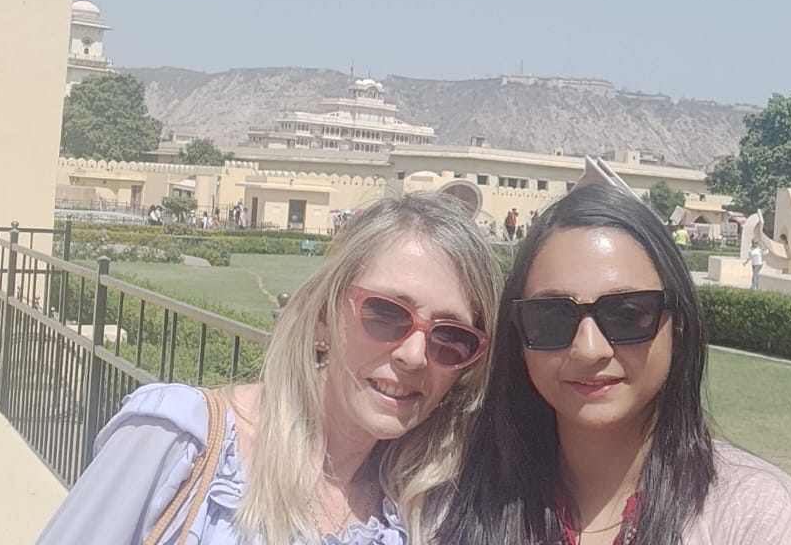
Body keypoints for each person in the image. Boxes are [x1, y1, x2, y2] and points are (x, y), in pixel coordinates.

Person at [37, 192, 503, 544]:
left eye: (451, 338)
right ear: (322, 315)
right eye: (386, 314)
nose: (414, 354)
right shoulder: (180, 443)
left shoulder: (419, 514)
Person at [430, 184, 791, 545]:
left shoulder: (755, 515)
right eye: (551, 318)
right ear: (519, 339)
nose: (589, 349)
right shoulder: (453, 505)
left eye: (627, 315)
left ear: (678, 326)